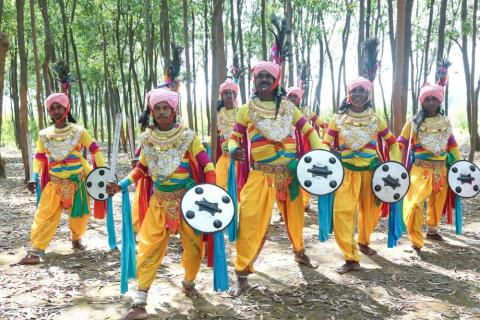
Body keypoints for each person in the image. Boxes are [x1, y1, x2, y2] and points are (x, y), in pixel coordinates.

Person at [107, 88, 216, 320]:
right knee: (147, 247)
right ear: (152, 112)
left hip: (188, 203)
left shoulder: (188, 136)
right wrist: (122, 185)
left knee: (195, 248)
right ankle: (140, 299)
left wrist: (211, 190)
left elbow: (206, 165)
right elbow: (141, 169)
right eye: (157, 108)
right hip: (159, 203)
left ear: (174, 110)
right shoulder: (147, 138)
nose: (162, 112)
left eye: (166, 107)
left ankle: (188, 283)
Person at [227, 61, 322, 296]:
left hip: (290, 176)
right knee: (248, 221)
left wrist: (321, 156)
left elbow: (309, 132)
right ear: (254, 80)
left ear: (276, 81)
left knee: (296, 219)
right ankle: (241, 272)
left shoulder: (290, 108)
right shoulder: (246, 109)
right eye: (260, 77)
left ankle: (300, 253)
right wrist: (232, 150)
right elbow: (233, 137)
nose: (264, 80)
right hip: (260, 176)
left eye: (269, 77)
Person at [16, 92, 105, 265]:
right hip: (54, 185)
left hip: (78, 184)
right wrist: (34, 176)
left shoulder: (79, 131)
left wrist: (101, 173)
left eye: (60, 107)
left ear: (67, 108)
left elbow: (95, 149)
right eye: (53, 108)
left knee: (79, 218)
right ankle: (36, 250)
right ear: (49, 112)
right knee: (44, 216)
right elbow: (39, 157)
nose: (56, 111)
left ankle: (76, 239)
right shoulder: (44, 135)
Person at [322, 77, 399, 274]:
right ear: (349, 93)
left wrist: (394, 165)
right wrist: (327, 153)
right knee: (341, 214)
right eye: (354, 90)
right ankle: (351, 257)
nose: (357, 94)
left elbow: (392, 142)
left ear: (368, 95)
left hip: (372, 174)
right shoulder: (337, 118)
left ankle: (364, 242)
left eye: (362, 91)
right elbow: (325, 142)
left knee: (371, 214)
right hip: (347, 173)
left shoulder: (376, 119)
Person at [398, 83, 461, 257]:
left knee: (436, 205)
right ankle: (416, 243)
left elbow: (452, 144)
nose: (431, 102)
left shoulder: (445, 121)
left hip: (441, 171)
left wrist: (461, 166)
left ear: (439, 101)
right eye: (428, 99)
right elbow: (401, 143)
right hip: (420, 170)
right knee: (414, 205)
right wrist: (395, 164)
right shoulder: (413, 122)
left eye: (434, 99)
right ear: (422, 101)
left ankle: (432, 230)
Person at [286, 86, 327, 213]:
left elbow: (324, 125)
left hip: (304, 146)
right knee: (288, 174)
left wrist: (324, 142)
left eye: (295, 96)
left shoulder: (307, 112)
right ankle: (287, 205)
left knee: (304, 172)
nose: (292, 98)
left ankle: (305, 202)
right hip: (288, 147)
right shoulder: (282, 111)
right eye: (290, 96)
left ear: (299, 99)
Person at [215, 79, 239, 190]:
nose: (228, 95)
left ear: (235, 95)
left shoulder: (240, 112)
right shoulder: (217, 114)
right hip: (223, 157)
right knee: (220, 185)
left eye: (231, 92)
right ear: (222, 96)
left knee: (236, 187)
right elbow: (215, 134)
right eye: (226, 93)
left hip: (237, 159)